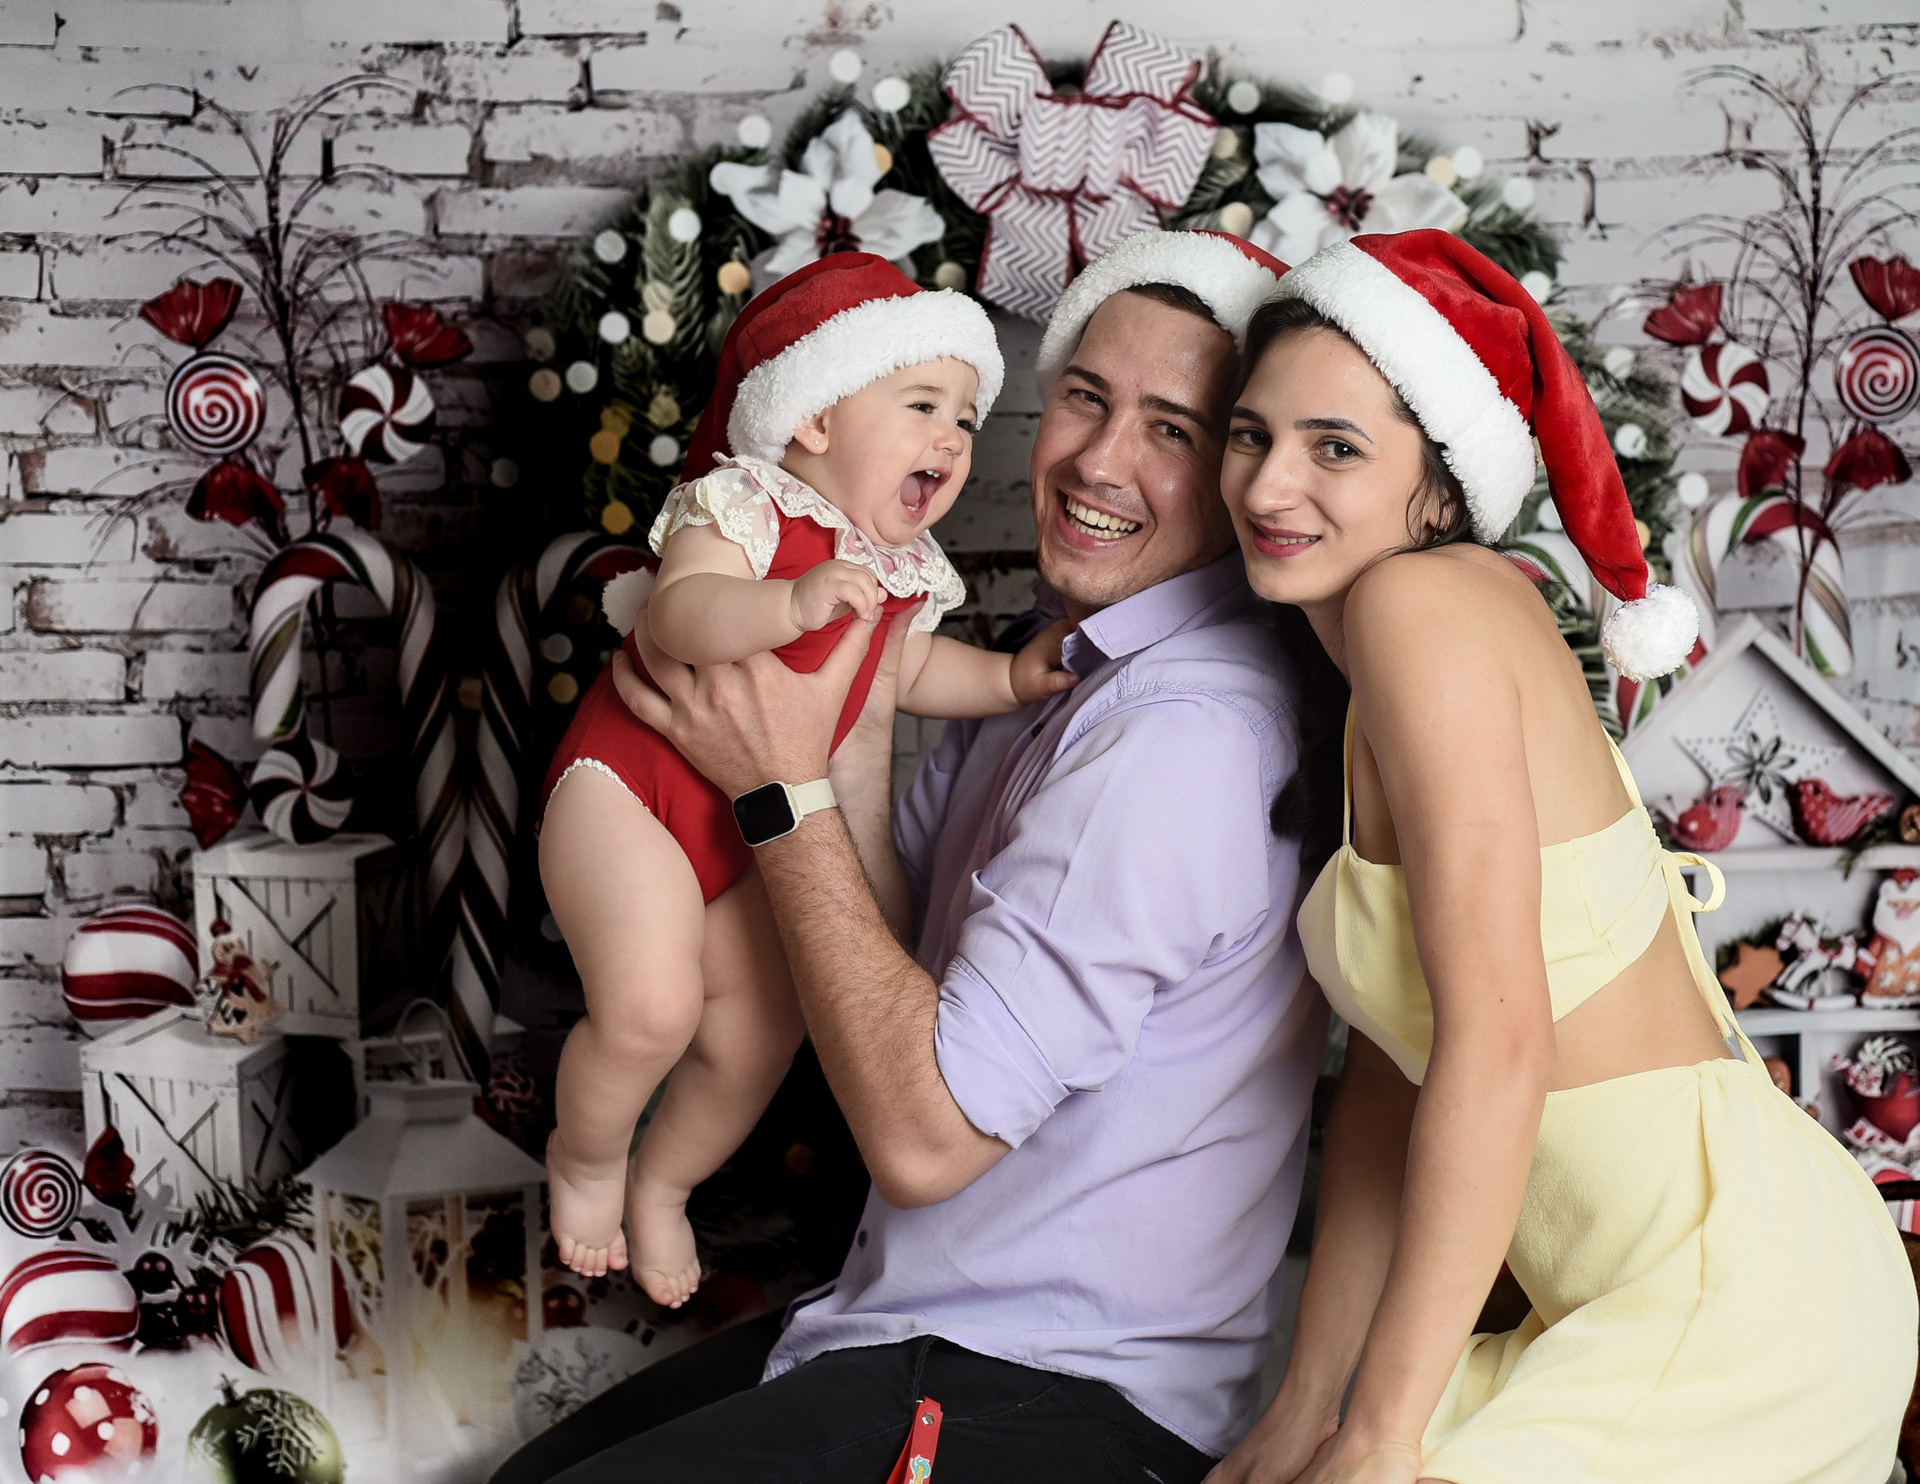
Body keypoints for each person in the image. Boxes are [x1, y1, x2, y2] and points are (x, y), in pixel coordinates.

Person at [490, 230, 1324, 1484]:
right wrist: (851, 721)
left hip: (1052, 1390)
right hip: (909, 1324)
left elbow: (926, 1137)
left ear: (1241, 471)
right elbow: (880, 980)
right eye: (1085, 398)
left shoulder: (1175, 735)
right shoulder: (1066, 669)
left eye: (1174, 428)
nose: (1100, 460)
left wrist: (778, 786)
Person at [1207, 228, 1915, 1484]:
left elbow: (1500, 1043)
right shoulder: (1381, 666)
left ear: (1440, 484)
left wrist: (1380, 1431)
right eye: (1251, 435)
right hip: (1620, 1295)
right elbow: (1391, 1082)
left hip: (1730, 1290)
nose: (1269, 486)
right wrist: (1309, 1405)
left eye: (1336, 447)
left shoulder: (1421, 606)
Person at [537, 253, 1081, 1302]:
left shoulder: (901, 570)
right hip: (627, 794)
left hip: (748, 826)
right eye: (922, 405)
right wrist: (786, 605)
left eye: (966, 419)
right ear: (817, 419)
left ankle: (664, 1182)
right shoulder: (745, 504)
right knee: (650, 1008)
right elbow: (677, 614)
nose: (950, 437)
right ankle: (588, 1158)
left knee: (757, 1036)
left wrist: (1010, 677)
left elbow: (906, 668)